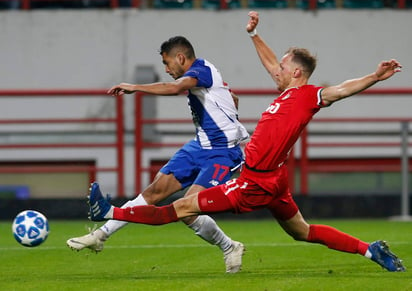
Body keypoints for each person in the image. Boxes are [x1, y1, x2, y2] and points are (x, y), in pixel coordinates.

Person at [86, 12, 405, 272]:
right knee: (302, 231)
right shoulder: (289, 91)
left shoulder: (310, 96)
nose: (274, 70)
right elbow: (269, 62)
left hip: (254, 182)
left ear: (295, 72)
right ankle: (370, 251)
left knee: (181, 208)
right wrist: (254, 35)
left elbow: (342, 89)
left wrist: (374, 77)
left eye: (281, 66)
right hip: (275, 180)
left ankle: (111, 213)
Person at [67, 36, 250, 273]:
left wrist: (134, 87)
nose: (166, 69)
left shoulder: (201, 69)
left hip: (222, 152)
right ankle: (101, 235)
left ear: (181, 58)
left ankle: (229, 247)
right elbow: (231, 97)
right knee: (154, 192)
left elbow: (174, 88)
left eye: (167, 63)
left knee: (187, 207)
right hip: (198, 147)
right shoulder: (205, 75)